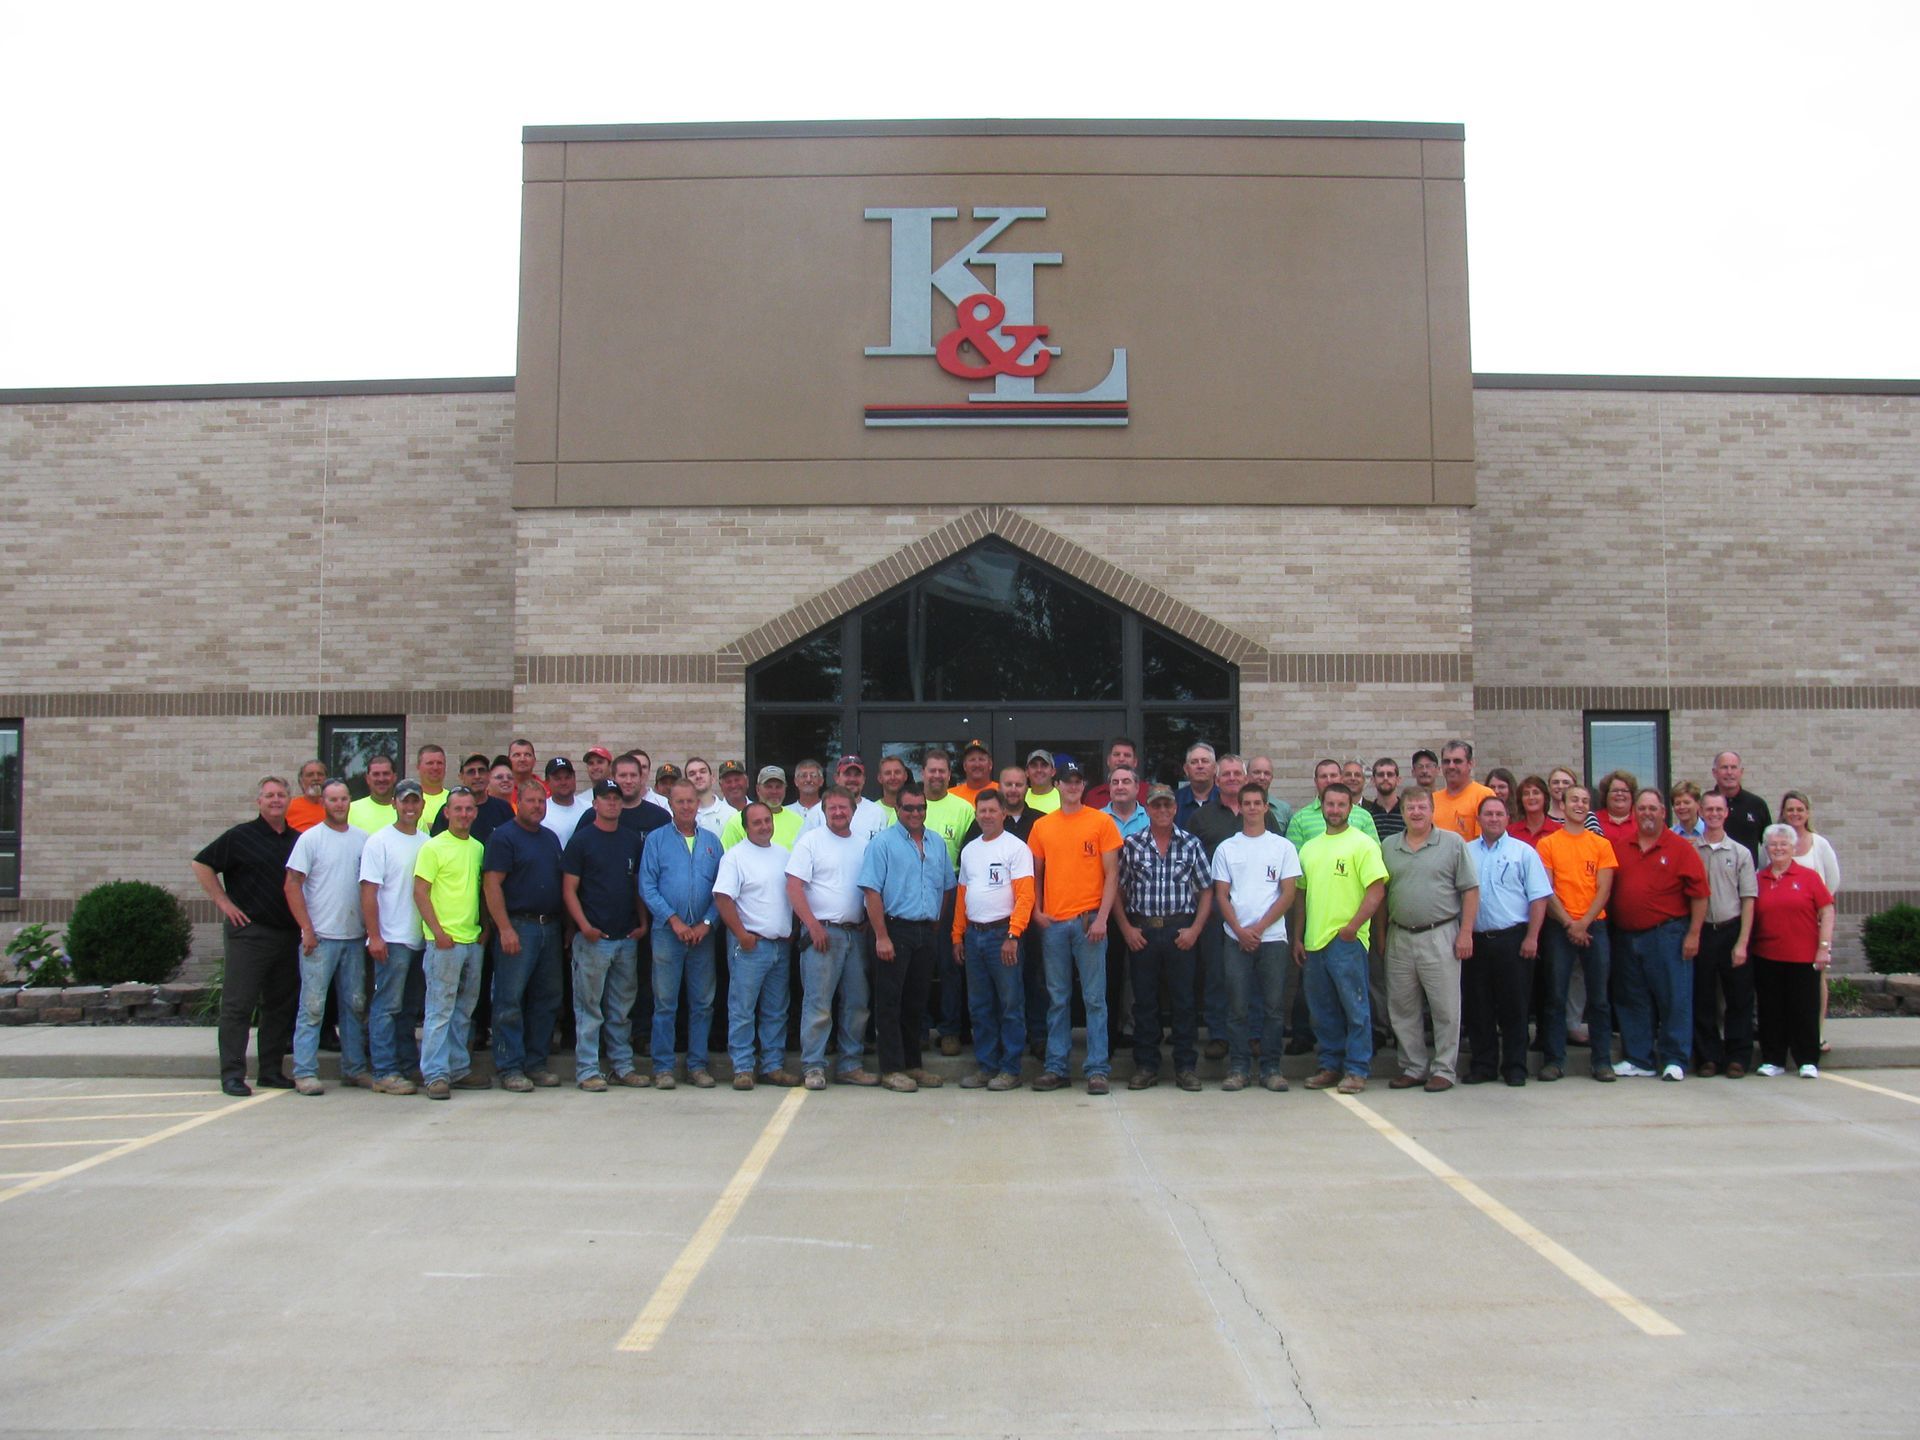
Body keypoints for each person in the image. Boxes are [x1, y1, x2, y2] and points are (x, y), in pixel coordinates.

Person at [193, 777, 302, 1096]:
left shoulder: (298, 840)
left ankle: (270, 1070)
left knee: (280, 1006)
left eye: (281, 795)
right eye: (269, 795)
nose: (275, 800)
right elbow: (202, 864)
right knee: (238, 1006)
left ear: (288, 801)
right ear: (259, 801)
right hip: (250, 934)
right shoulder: (240, 837)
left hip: (287, 934)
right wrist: (223, 902)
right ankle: (232, 1074)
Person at [1027, 762, 1123, 1094]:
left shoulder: (1101, 822)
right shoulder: (1042, 826)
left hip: (1089, 922)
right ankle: (1056, 1067)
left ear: (1084, 785)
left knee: (1095, 999)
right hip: (1053, 924)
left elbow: (1112, 874)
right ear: (1057, 785)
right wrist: (1037, 910)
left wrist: (1102, 918)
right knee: (1058, 998)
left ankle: (1097, 1069)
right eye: (1066, 781)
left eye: (1077, 781)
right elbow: (1035, 872)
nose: (1072, 787)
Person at [1115, 783, 1213, 1091]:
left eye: (1167, 806)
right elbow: (1117, 891)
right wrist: (1127, 929)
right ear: (1149, 808)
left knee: (1184, 1002)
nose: (1161, 811)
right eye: (1156, 806)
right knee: (1145, 1003)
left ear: (1175, 809)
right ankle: (1146, 1065)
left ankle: (1185, 1067)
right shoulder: (1132, 845)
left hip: (1179, 931)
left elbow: (1206, 891)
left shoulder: (1191, 845)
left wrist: (1195, 929)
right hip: (1142, 931)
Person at [1379, 786, 1478, 1092]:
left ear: (1432, 810)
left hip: (1441, 934)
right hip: (1400, 935)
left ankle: (1444, 1069)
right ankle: (1413, 1067)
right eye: (1411, 808)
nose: (1417, 812)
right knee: (1402, 1006)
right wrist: (1382, 936)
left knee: (1445, 1007)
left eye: (1422, 807)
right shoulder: (1388, 846)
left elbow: (1470, 890)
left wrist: (1465, 933)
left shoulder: (1452, 843)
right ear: (1403, 812)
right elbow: (1381, 896)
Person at [859, 782, 955, 1093]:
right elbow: (872, 892)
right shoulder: (883, 844)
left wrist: (937, 921)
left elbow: (946, 886)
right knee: (890, 1002)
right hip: (894, 929)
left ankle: (914, 1065)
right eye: (909, 808)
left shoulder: (937, 843)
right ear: (898, 809)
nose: (915, 813)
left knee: (916, 1002)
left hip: (926, 930)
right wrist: (881, 936)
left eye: (920, 807)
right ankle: (891, 1069)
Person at [1290, 784, 1387, 1094]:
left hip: (1347, 941)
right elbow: (1301, 897)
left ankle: (1357, 1069)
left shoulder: (1363, 845)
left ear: (1351, 808)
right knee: (1322, 1011)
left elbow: (1376, 890)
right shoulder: (1309, 848)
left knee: (1356, 1007)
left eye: (1341, 805)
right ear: (1322, 806)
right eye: (1329, 804)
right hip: (1315, 942)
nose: (1334, 810)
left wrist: (1353, 927)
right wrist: (1299, 937)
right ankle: (1330, 1065)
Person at [1608, 789, 1709, 1081]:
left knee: (1674, 998)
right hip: (1627, 936)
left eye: (1653, 808)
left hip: (1667, 935)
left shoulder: (1679, 848)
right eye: (1642, 809)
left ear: (1663, 813)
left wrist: (1694, 934)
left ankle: (1675, 1059)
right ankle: (1639, 1058)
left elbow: (1700, 894)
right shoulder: (1620, 845)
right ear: (1634, 813)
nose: (1647, 814)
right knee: (1632, 999)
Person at [1210, 780, 1303, 1093]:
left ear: (1266, 807)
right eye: (1246, 803)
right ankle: (1238, 1068)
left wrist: (1260, 928)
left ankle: (1271, 1068)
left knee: (1274, 1008)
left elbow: (1288, 893)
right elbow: (1221, 894)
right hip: (1235, 939)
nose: (1251, 808)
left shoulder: (1283, 847)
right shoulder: (1227, 848)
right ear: (1240, 807)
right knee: (1237, 1006)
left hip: (1273, 939)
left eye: (1256, 803)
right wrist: (1239, 930)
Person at [786, 787, 879, 1090]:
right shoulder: (810, 842)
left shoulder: (864, 845)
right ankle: (814, 1065)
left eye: (844, 807)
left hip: (855, 935)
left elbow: (871, 888)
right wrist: (811, 925)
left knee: (857, 1002)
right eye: (833, 808)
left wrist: (868, 920)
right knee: (818, 1003)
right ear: (823, 811)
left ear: (854, 810)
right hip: (821, 934)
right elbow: (794, 886)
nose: (838, 812)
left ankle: (850, 1064)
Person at [562, 778, 651, 1091]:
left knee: (620, 1011)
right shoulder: (582, 841)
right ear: (595, 803)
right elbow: (569, 889)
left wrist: (642, 923)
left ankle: (622, 1067)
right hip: (593, 940)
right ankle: (588, 1070)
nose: (612, 803)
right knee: (589, 1009)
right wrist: (583, 926)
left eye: (616, 798)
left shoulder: (630, 841)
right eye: (606, 798)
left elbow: (637, 886)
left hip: (626, 938)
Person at [283, 779, 371, 1095]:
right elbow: (292, 885)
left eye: (344, 799)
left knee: (355, 1006)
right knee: (313, 1007)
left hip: (353, 938)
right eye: (332, 799)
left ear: (350, 802)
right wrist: (306, 929)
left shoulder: (363, 840)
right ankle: (305, 1072)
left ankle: (355, 1069)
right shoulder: (310, 840)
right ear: (324, 802)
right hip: (319, 939)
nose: (339, 804)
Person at [482, 778, 568, 1093]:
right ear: (520, 801)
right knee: (509, 999)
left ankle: (536, 1063)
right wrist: (504, 928)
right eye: (531, 801)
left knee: (547, 999)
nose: (537, 807)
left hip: (550, 927)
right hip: (518, 926)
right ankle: (510, 1066)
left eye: (541, 802)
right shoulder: (504, 837)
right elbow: (491, 885)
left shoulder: (549, 839)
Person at [1463, 797, 1553, 1086]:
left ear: (1507, 818)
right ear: (1479, 818)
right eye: (1487, 814)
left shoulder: (1523, 852)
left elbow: (1539, 897)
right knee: (1478, 1007)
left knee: (1515, 1007)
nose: (1493, 818)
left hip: (1512, 939)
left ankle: (1515, 1067)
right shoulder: (1465, 853)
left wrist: (1532, 936)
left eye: (1498, 814)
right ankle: (1483, 1065)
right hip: (1476, 940)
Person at [641, 779, 725, 1087]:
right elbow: (647, 887)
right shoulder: (656, 840)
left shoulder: (712, 843)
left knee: (703, 1002)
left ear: (698, 803)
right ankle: (663, 1067)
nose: (686, 806)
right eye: (680, 802)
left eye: (691, 801)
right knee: (665, 1002)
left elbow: (722, 890)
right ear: (670, 804)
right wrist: (674, 920)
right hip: (667, 933)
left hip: (703, 936)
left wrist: (706, 923)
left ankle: (697, 1066)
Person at [951, 788, 1035, 1090]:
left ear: (1003, 813)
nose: (986, 816)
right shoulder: (970, 850)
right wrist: (957, 935)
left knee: (1010, 1004)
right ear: (976, 814)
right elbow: (962, 896)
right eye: (981, 811)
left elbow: (1025, 896)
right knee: (980, 1005)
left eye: (992, 811)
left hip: (1003, 935)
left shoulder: (1016, 848)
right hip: (974, 936)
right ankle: (987, 1066)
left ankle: (1010, 1069)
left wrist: (1014, 934)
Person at [1536, 785, 1619, 1082]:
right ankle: (1555, 1061)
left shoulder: (1600, 844)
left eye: (1585, 801)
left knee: (1598, 999)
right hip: (1560, 926)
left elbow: (1604, 888)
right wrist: (1571, 924)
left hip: (1594, 925)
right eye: (1575, 800)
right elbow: (1546, 889)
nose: (1580, 805)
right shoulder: (1548, 844)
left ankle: (1602, 1062)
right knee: (1555, 996)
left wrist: (1584, 922)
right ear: (1563, 803)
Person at [714, 802, 800, 1089]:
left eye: (767, 821)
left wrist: (788, 930)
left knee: (776, 1010)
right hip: (750, 946)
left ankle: (773, 1066)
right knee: (742, 1008)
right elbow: (723, 899)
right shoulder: (735, 857)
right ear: (746, 827)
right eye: (757, 823)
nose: (764, 826)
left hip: (779, 947)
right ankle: (743, 1068)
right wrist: (741, 934)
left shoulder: (784, 855)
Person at [412, 788, 489, 1100]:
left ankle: (458, 1068)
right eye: (458, 809)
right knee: (439, 1010)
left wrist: (483, 930)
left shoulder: (478, 848)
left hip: (472, 941)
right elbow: (420, 891)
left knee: (463, 1012)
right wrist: (437, 932)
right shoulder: (433, 848)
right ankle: (434, 1073)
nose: (464, 814)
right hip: (444, 943)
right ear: (447, 812)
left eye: (469, 809)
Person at [358, 778, 428, 1095]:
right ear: (394, 804)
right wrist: (375, 936)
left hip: (419, 939)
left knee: (410, 1009)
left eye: (415, 801)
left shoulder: (427, 842)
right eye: (405, 801)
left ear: (422, 805)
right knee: (386, 1007)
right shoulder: (379, 842)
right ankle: (384, 1071)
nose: (410, 806)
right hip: (392, 938)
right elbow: (369, 892)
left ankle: (406, 1065)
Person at [1751, 823, 1836, 1078]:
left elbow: (1827, 910)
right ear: (1766, 849)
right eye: (1773, 845)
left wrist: (1824, 947)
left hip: (1803, 955)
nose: (1778, 849)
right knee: (1771, 1009)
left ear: (1793, 848)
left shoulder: (1808, 877)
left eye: (1783, 844)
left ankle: (1807, 1059)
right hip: (1766, 954)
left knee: (1804, 1008)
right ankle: (1773, 1059)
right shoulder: (1759, 879)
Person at [1691, 792, 1758, 1077]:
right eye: (1709, 809)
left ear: (1726, 813)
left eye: (1719, 809)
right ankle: (1708, 1057)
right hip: (1703, 931)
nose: (1714, 814)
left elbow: (1749, 899)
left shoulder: (1740, 853)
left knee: (1738, 999)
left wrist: (1742, 942)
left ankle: (1738, 1057)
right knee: (1703, 997)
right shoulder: (1692, 850)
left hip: (1731, 929)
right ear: (1701, 813)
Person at [920, 750, 975, 1055]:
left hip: (951, 892)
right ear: (923, 773)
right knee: (918, 965)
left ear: (949, 774)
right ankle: (920, 1027)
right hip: (915, 892)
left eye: (942, 771)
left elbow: (969, 854)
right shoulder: (912, 804)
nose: (937, 776)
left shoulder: (963, 808)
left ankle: (950, 1029)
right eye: (932, 770)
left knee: (950, 963)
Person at [1780, 788, 1843, 1051]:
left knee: (1816, 979)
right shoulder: (1776, 840)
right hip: (1782, 923)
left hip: (1814, 923)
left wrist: (1819, 913)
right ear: (1783, 813)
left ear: (1807, 813)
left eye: (1800, 809)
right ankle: (1788, 1033)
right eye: (1790, 809)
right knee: (1784, 980)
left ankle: (1816, 1033)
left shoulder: (1819, 844)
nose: (1795, 814)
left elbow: (1833, 881)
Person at [1285, 758, 1381, 847]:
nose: (1329, 780)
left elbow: (1374, 852)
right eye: (1323, 776)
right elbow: (1294, 860)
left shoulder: (1363, 816)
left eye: (1333, 775)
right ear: (1316, 781)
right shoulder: (1300, 819)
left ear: (1341, 778)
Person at [720, 766, 803, 850]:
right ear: (758, 789)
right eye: (768, 786)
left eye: (778, 786)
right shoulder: (738, 821)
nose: (774, 792)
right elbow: (726, 857)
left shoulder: (799, 822)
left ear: (785, 788)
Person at [1710, 751, 1773, 860]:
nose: (1729, 772)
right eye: (1724, 767)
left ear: (1741, 772)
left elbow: (1769, 844)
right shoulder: (1705, 806)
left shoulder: (1757, 805)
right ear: (1714, 772)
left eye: (1733, 767)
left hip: (1748, 873)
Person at [1430, 741, 1495, 841]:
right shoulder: (1432, 799)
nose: (1451, 766)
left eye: (1457, 761)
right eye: (1446, 761)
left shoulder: (1484, 796)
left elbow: (1485, 843)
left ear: (1470, 764)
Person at [431, 762, 512, 842]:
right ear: (461, 777)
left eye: (481, 771)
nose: (477, 776)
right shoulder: (450, 810)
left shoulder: (504, 808)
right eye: (471, 772)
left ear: (488, 775)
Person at [614, 754, 671, 837]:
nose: (628, 781)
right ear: (613, 778)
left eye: (633, 775)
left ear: (640, 778)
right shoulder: (596, 816)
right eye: (623, 775)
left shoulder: (661, 817)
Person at [539, 756, 590, 848]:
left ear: (574, 778)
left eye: (567, 777)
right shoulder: (540, 810)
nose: (563, 782)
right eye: (557, 778)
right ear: (547, 782)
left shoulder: (589, 809)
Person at [1083, 736, 1140, 810]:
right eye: (1116, 754)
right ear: (1108, 760)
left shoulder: (1147, 793)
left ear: (1135, 762)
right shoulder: (1093, 796)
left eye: (1127, 755)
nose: (1121, 759)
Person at [347, 755, 400, 834]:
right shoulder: (350, 810)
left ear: (394, 777)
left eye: (386, 774)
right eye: (376, 774)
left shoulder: (406, 811)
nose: (381, 779)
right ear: (367, 778)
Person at [1245, 756, 1296, 834]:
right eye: (1257, 772)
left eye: (1267, 773)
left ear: (1272, 777)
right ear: (1247, 776)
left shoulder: (1284, 809)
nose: (1262, 777)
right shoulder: (1239, 806)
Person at [1508, 775, 1561, 848]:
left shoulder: (1558, 830)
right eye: (1526, 794)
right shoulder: (1510, 832)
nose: (1531, 797)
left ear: (1545, 797)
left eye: (1536, 793)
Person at [1175, 743, 1219, 827]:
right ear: (1186, 769)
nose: (1200, 766)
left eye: (1205, 761)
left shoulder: (1225, 800)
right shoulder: (1175, 801)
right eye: (1194, 762)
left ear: (1215, 768)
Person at [1593, 770, 1639, 845]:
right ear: (1606, 795)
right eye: (1615, 790)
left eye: (1624, 791)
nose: (1619, 794)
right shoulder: (1593, 820)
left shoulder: (1640, 821)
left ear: (1632, 795)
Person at [1364, 757, 1406, 840]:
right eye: (1380, 775)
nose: (1385, 778)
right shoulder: (1366, 814)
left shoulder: (1408, 811)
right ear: (1373, 780)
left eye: (1390, 774)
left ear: (1398, 780)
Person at [685, 757, 729, 835]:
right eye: (692, 774)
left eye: (703, 771)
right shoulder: (681, 815)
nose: (698, 776)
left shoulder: (730, 814)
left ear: (712, 778)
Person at [949, 738, 996, 807]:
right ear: (965, 766)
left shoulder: (1002, 793)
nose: (977, 764)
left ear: (990, 764)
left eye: (981, 759)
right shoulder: (951, 795)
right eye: (972, 760)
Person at [286, 760, 329, 833]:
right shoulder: (289, 806)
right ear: (301, 781)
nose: (316, 778)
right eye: (310, 775)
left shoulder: (335, 806)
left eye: (320, 774)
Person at [415, 744, 451, 830]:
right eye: (430, 763)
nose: (435, 767)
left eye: (439, 763)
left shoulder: (452, 799)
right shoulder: (409, 800)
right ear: (418, 767)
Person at [1023, 748, 1061, 814]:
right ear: (1026, 772)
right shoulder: (1020, 796)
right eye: (1034, 766)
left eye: (1044, 765)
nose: (1039, 770)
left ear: (1053, 771)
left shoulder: (1063, 798)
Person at [789, 757, 826, 825]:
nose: (808, 780)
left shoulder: (830, 810)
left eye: (813, 775)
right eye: (804, 776)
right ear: (796, 781)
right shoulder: (787, 811)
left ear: (821, 781)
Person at [506, 738, 543, 805]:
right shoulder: (500, 789)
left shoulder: (546, 789)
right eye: (517, 755)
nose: (522, 759)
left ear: (534, 760)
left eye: (527, 755)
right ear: (508, 761)